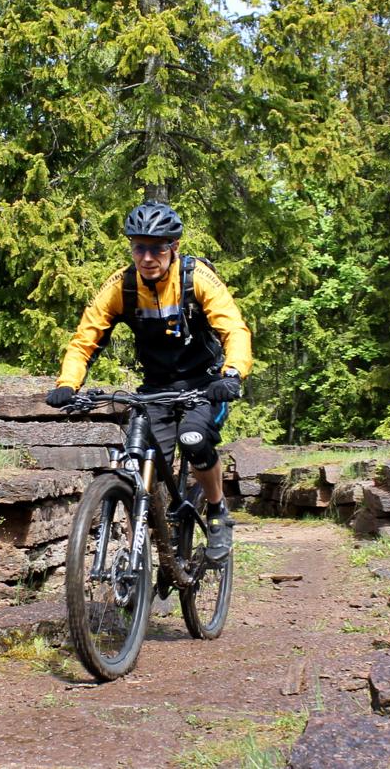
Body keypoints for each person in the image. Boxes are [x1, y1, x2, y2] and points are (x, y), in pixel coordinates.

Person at [45, 200, 252, 562]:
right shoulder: (121, 286)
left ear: (174, 247)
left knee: (194, 438)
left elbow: (234, 328)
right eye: (139, 247)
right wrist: (68, 384)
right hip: (156, 389)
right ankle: (150, 551)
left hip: (205, 384)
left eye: (157, 248)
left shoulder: (196, 278)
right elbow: (85, 339)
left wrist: (232, 373)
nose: (147, 257)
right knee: (142, 465)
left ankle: (217, 511)